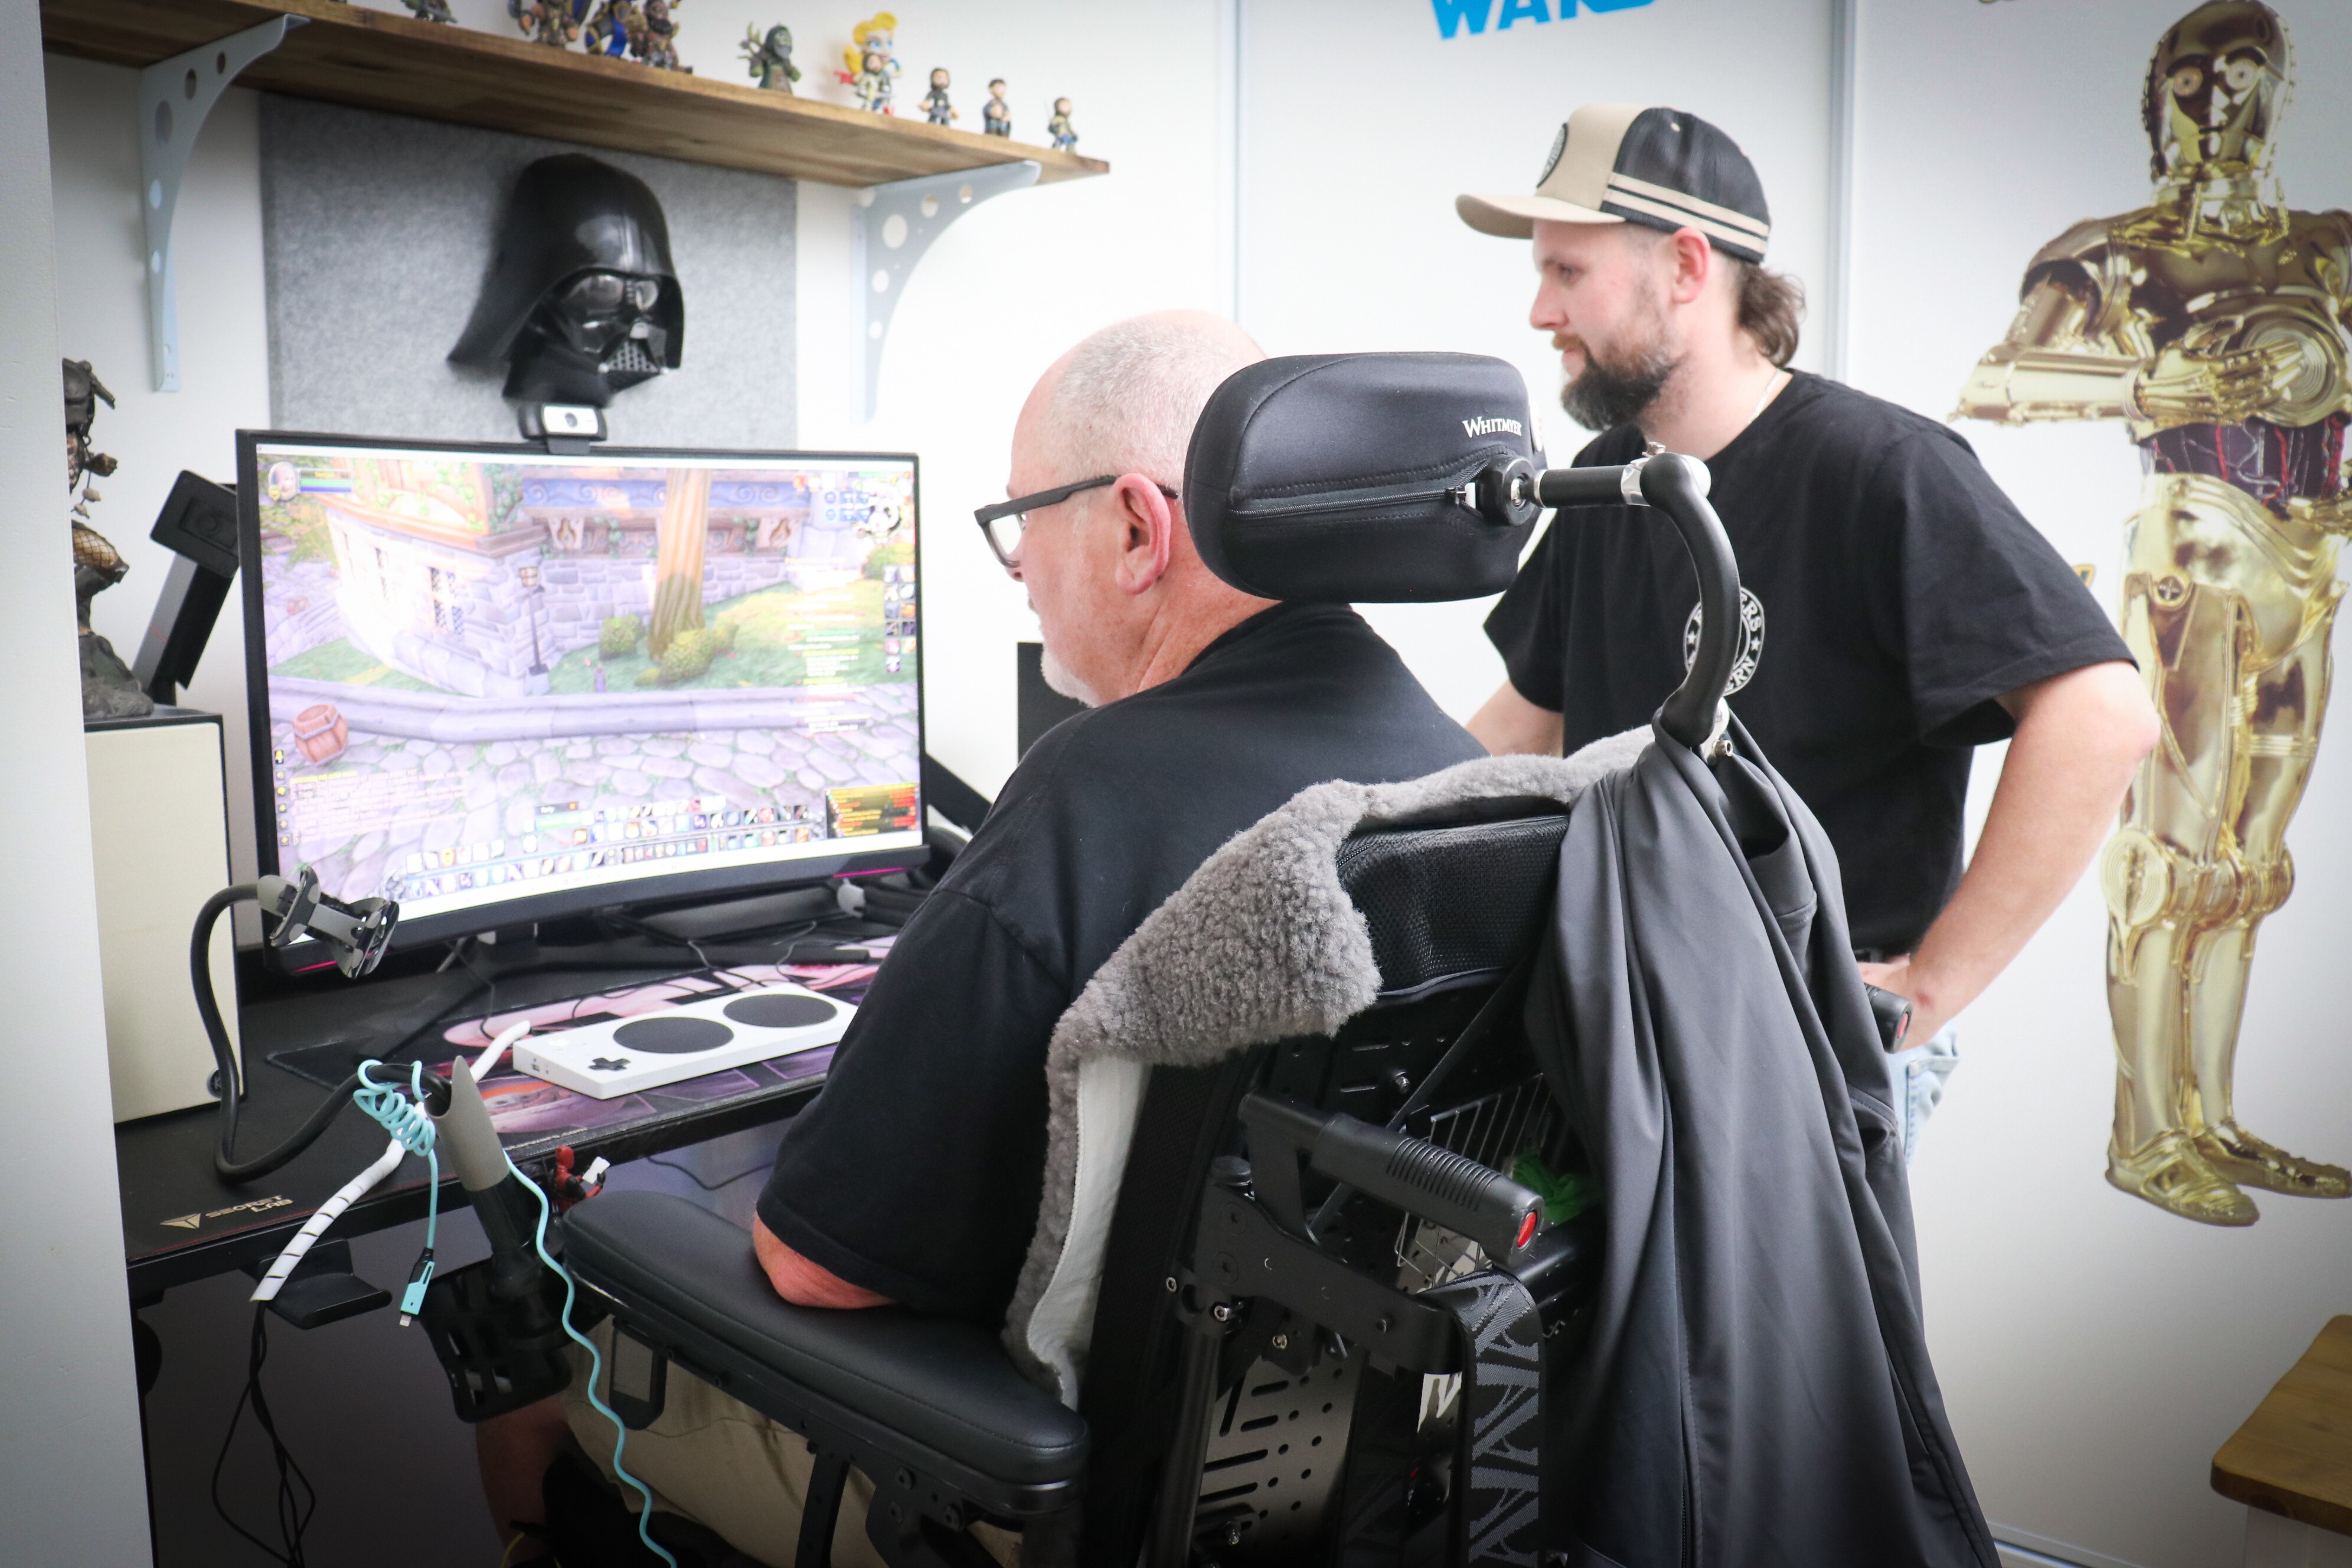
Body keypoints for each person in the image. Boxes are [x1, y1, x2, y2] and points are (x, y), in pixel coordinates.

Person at [475, 311, 1486, 1565]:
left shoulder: (1093, 794)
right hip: (1350, 1478)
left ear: (1132, 526)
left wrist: (630, 1210)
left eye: (1021, 522)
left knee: (540, 1362)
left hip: (1046, 1498)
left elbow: (816, 1271)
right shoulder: (1465, 779)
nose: (1018, 568)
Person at [1456, 103, 2159, 1152]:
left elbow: (2103, 715)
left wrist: (1929, 985)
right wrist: (1356, 834)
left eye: (1567, 274)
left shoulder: (1883, 469)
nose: (1538, 313)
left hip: (1808, 1044)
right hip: (1633, 1025)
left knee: (1796, 1327)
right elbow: (1525, 723)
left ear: (1688, 266)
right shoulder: (1613, 479)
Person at [1954, 1, 2349, 1227]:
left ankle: (2212, 1114)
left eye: (2242, 74)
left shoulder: (2331, 247)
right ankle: (2144, 1131)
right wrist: (2173, 379)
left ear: (2282, 90)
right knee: (2170, 857)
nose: (2216, 98)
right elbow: (1997, 378)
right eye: (2190, 76)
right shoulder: (2113, 251)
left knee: (2250, 863)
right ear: (2155, 95)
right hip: (2195, 543)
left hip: (2313, 556)